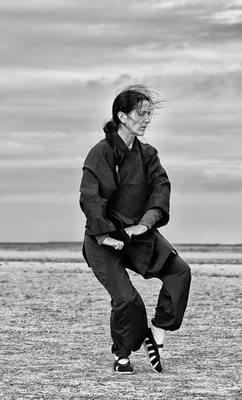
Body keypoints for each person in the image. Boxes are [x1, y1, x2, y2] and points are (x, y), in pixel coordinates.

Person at [79, 85, 191, 375]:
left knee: (180, 272)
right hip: (102, 239)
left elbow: (161, 188)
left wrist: (146, 223)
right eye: (141, 114)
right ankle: (122, 356)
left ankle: (157, 333)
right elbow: (90, 196)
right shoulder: (101, 153)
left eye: (149, 114)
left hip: (137, 235)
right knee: (128, 300)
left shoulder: (147, 154)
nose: (146, 120)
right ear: (122, 116)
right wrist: (104, 235)